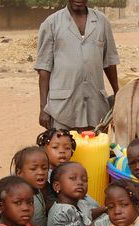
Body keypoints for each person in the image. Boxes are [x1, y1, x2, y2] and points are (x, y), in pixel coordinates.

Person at [35, 0, 119, 130]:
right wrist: (43, 108)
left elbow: (110, 63)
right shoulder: (51, 23)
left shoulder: (102, 22)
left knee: (95, 148)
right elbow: (44, 69)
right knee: (63, 148)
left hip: (95, 107)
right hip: (62, 109)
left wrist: (118, 94)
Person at [10, 147, 79, 226]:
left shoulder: (39, 188)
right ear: (19, 173)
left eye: (44, 168)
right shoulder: (14, 194)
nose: (41, 173)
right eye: (33, 169)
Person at [37, 129, 106, 219]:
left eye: (67, 148)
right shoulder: (46, 177)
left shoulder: (74, 169)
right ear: (43, 150)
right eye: (55, 147)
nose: (62, 151)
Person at [47, 162, 92, 226]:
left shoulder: (80, 203)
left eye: (84, 180)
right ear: (57, 186)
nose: (80, 182)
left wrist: (105, 209)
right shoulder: (64, 211)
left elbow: (86, 215)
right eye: (73, 178)